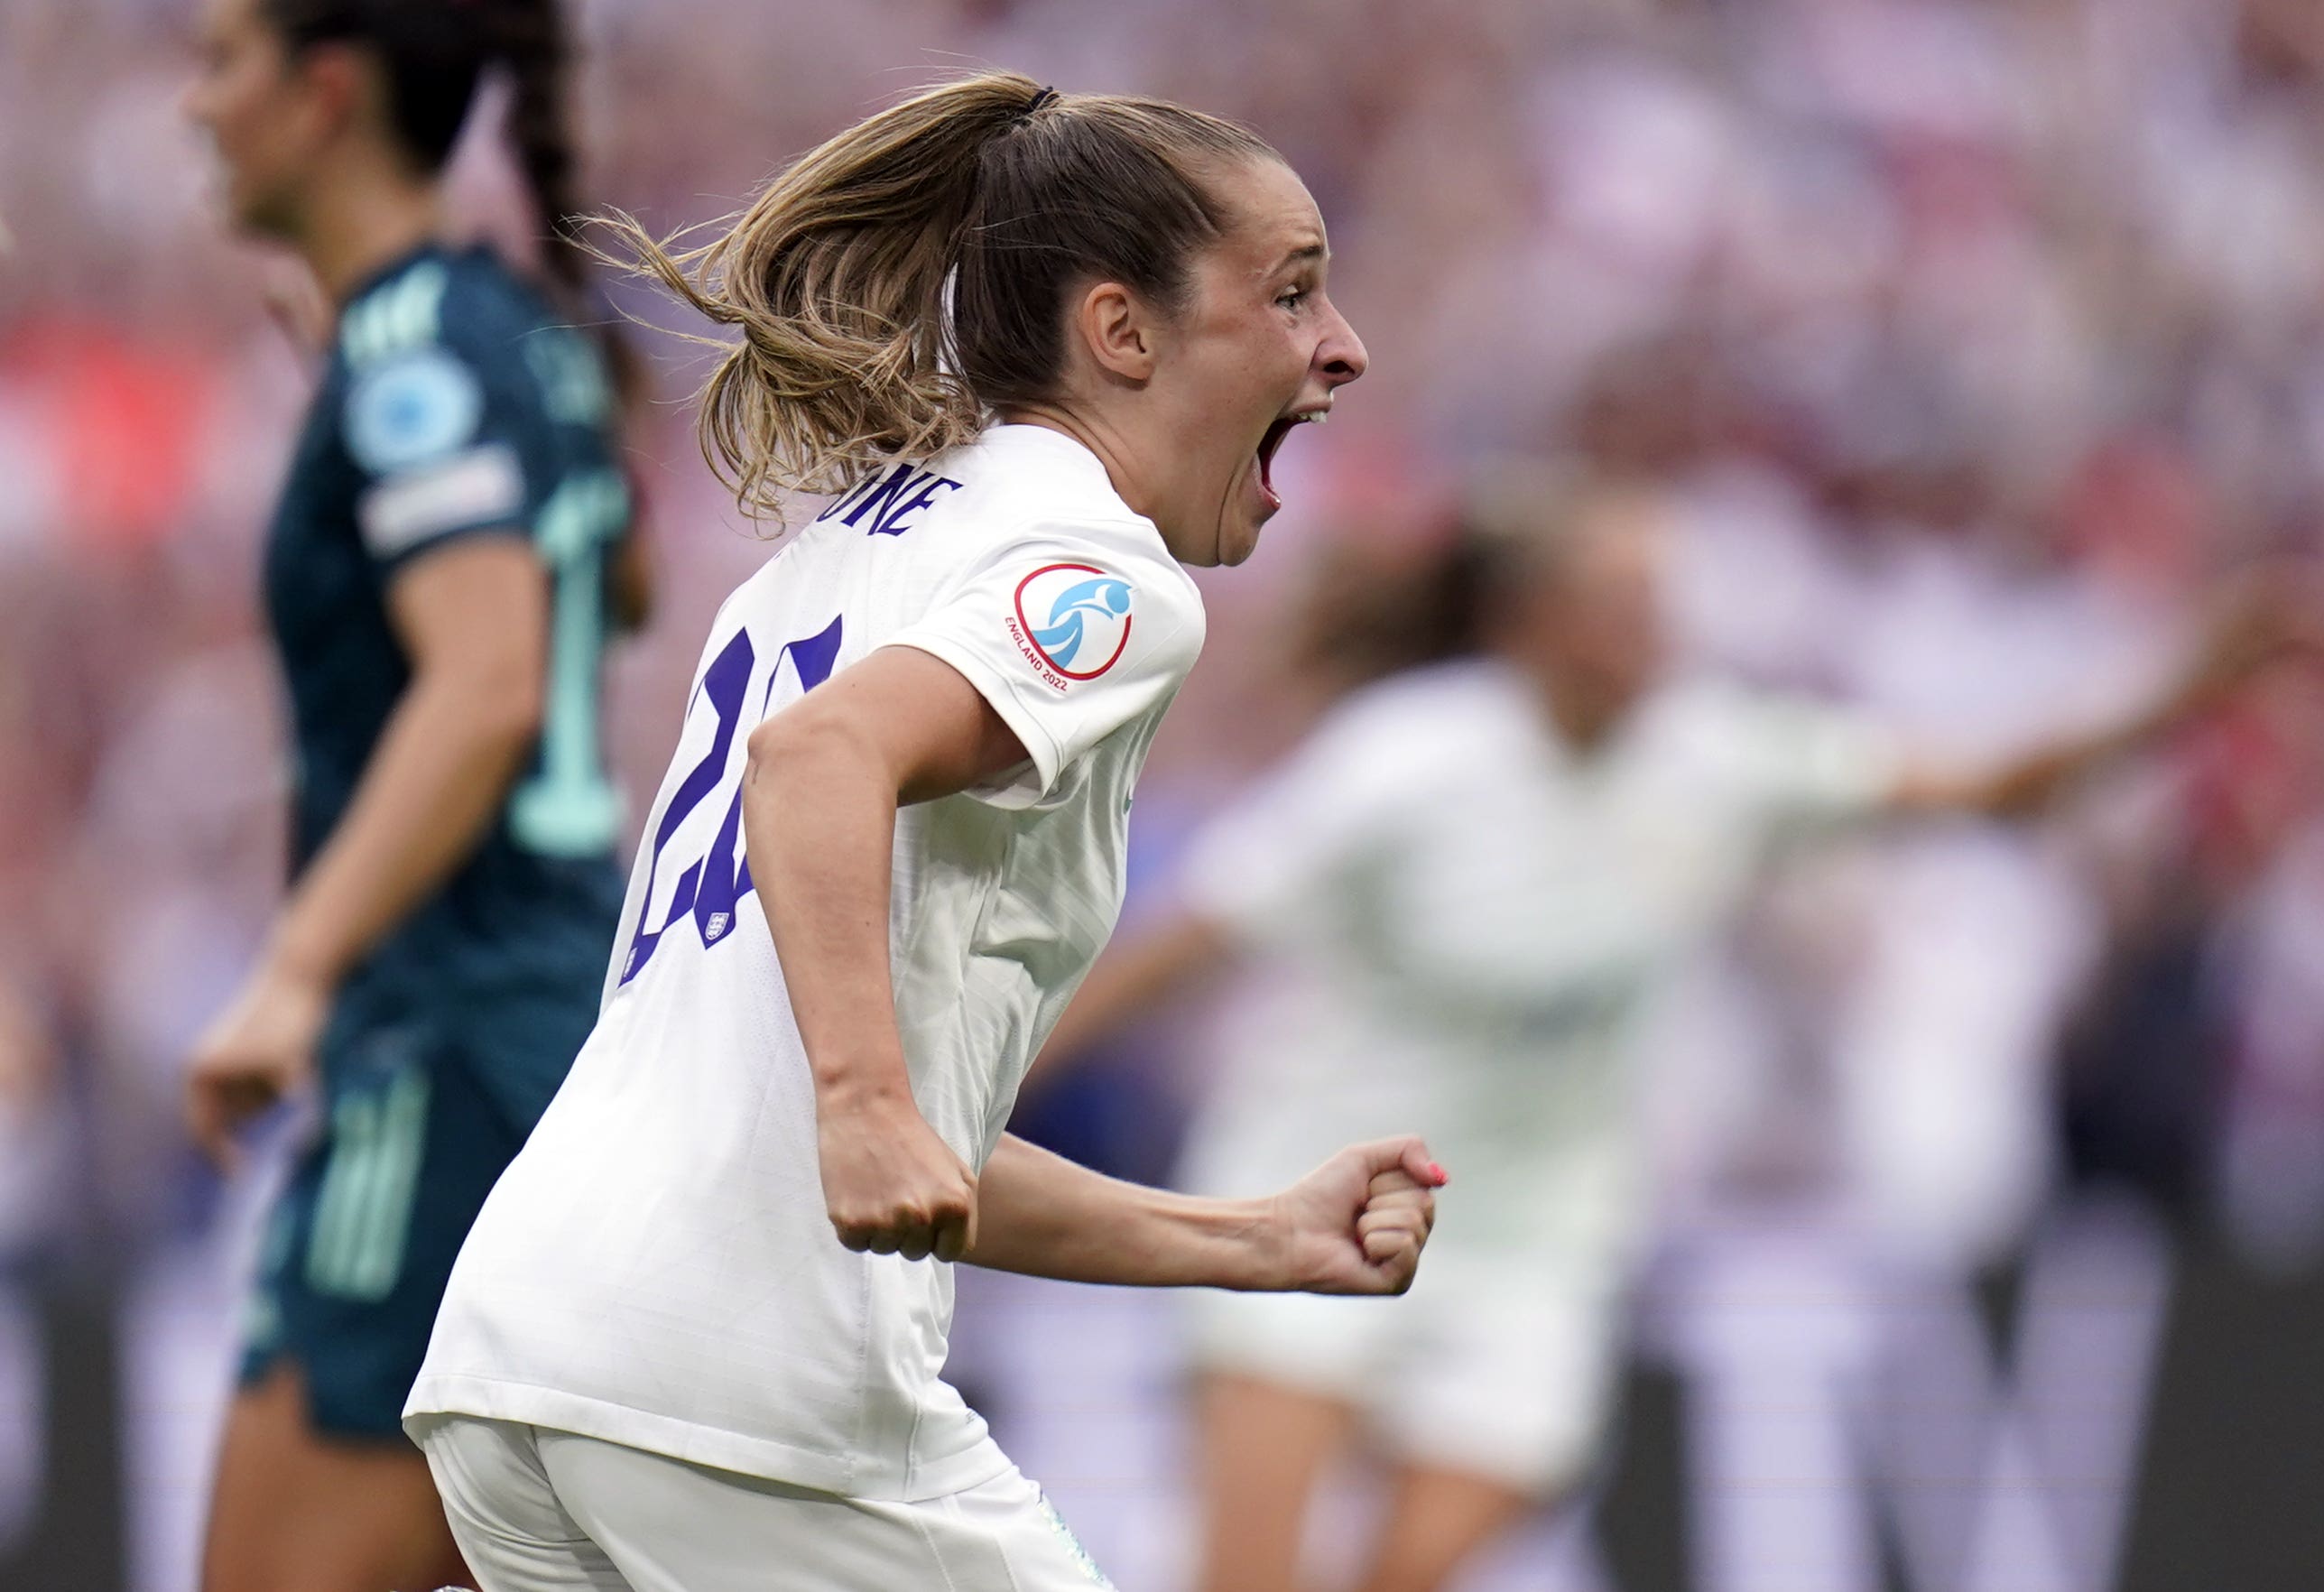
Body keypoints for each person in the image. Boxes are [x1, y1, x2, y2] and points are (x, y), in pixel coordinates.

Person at [400, 71, 1441, 1591]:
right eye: (1290, 294)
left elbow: (894, 1143)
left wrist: (1250, 1242)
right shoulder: (1101, 575)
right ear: (1122, 332)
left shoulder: (827, 564)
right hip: (742, 1387)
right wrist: (861, 1099)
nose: (1340, 345)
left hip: (524, 1359)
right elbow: (816, 762)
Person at [1038, 475, 2304, 1592]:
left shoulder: (1718, 759)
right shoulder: (1404, 766)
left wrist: (2176, 692)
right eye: (1619, 599)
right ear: (1529, 626)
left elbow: (1988, 789)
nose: (1655, 628)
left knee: (1409, 1572)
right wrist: (968, 1101)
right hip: (1310, 1193)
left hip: (1535, 1241)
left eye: (1659, 598)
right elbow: (1180, 948)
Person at [180, 0, 643, 1586]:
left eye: (218, 60)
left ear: (324, 94)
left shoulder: (420, 351)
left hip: (451, 1044)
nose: (193, 107)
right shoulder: (496, 330)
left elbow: (491, 677)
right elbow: (615, 592)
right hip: (540, 1027)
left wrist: (295, 969)